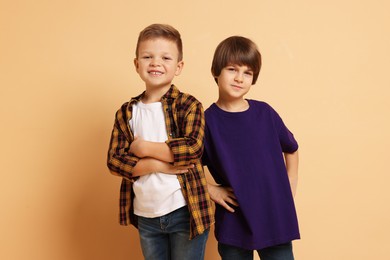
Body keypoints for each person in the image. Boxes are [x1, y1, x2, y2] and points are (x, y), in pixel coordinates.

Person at [107, 24, 214, 260]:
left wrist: (144, 149)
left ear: (179, 66)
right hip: (146, 214)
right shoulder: (126, 112)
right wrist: (160, 165)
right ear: (137, 64)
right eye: (147, 57)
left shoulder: (188, 105)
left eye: (165, 57)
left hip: (185, 211)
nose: (155, 63)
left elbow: (192, 150)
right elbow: (115, 162)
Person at [202, 36, 300, 260]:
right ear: (216, 70)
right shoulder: (206, 122)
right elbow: (187, 167)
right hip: (234, 221)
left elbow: (292, 148)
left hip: (274, 217)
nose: (239, 78)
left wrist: (290, 184)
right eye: (232, 69)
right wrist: (212, 190)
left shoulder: (265, 113)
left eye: (247, 72)